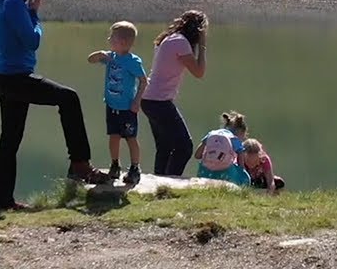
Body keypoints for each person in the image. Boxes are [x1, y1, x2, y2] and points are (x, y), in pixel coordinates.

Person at [0, 0, 110, 211]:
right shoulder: (14, 4)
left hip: (5, 78)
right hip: (15, 79)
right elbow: (32, 41)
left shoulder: (6, 1)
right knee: (69, 97)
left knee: (9, 142)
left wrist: (30, 11)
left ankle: (2, 202)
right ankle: (80, 165)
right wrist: (34, 14)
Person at [140, 10, 208, 176]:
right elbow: (199, 72)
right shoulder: (180, 42)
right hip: (159, 101)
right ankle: (170, 181)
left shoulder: (169, 38)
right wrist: (202, 45)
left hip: (148, 99)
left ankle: (159, 181)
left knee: (165, 146)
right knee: (184, 146)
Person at [86, 21, 147, 186]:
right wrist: (99, 54)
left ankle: (135, 168)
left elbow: (143, 81)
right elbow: (90, 60)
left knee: (130, 138)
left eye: (112, 37)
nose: (108, 39)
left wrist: (137, 101)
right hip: (111, 106)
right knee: (113, 136)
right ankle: (115, 164)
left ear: (123, 42)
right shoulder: (110, 57)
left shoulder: (133, 62)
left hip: (127, 108)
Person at [194, 111, 251, 186]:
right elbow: (241, 165)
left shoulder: (211, 134)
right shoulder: (234, 139)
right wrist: (242, 174)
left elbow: (197, 155)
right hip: (226, 172)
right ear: (240, 132)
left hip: (206, 170)